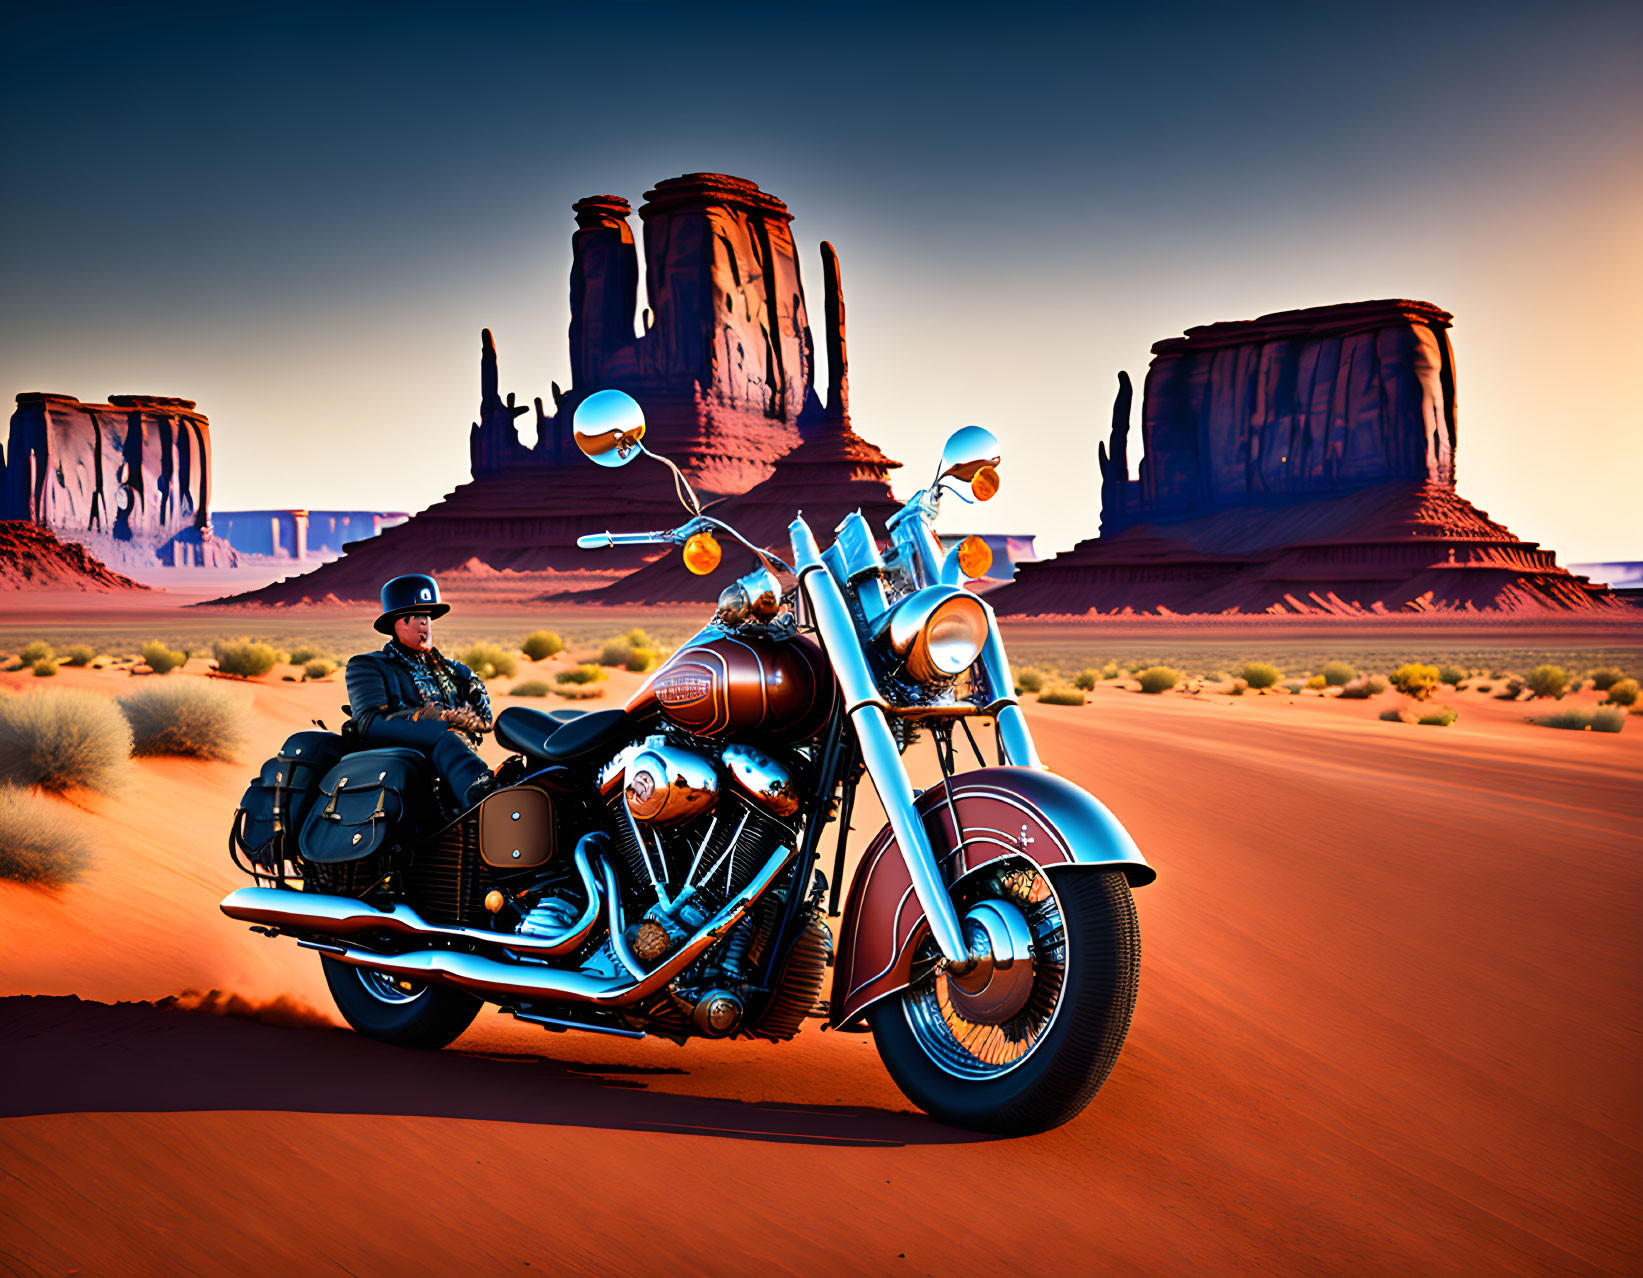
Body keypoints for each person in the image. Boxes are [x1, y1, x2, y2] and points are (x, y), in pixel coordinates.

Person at [345, 574, 498, 810]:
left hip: (459, 767)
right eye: (417, 619)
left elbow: (484, 719)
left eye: (427, 618)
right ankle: (484, 798)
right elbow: (368, 724)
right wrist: (437, 722)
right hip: (407, 772)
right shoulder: (367, 666)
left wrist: (470, 716)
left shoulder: (456, 671)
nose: (425, 626)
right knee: (446, 739)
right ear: (398, 623)